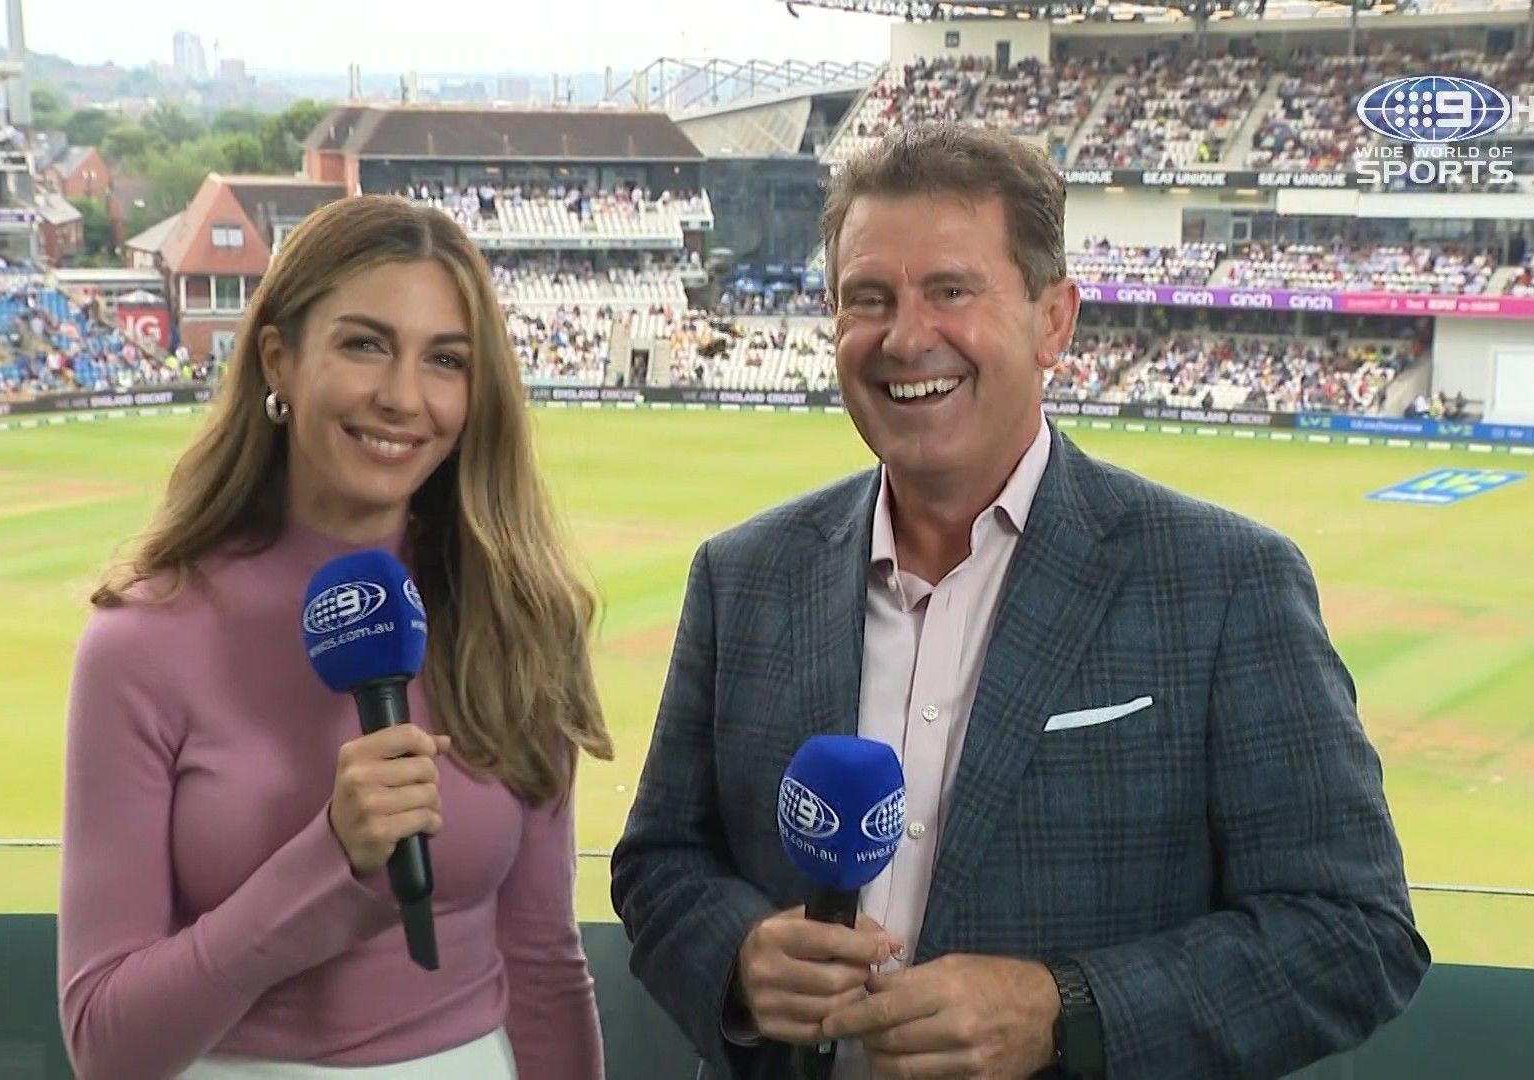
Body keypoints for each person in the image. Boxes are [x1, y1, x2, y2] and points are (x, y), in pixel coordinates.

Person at [611, 123, 1427, 1080]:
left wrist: (1064, 1010)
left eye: (951, 291)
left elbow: (1354, 933)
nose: (905, 337)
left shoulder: (1224, 582)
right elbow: (661, 863)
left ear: (1054, 321)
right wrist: (741, 958)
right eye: (868, 298)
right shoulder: (743, 574)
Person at [59, 195, 612, 1080]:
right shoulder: (141, 641)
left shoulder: (518, 617)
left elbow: (544, 961)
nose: (402, 398)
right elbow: (106, 1042)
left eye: (445, 360)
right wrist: (329, 860)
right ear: (278, 360)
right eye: (364, 345)